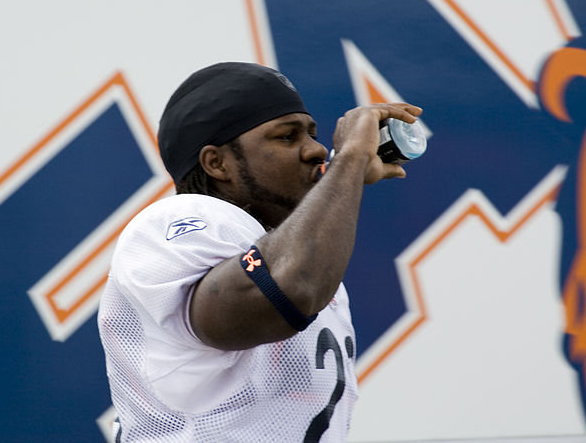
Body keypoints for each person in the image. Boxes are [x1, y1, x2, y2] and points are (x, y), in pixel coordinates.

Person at [97, 62, 422, 442]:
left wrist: (344, 173)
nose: (318, 150)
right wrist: (349, 160)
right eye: (287, 137)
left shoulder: (290, 249)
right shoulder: (179, 220)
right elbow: (284, 293)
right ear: (217, 164)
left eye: (313, 134)